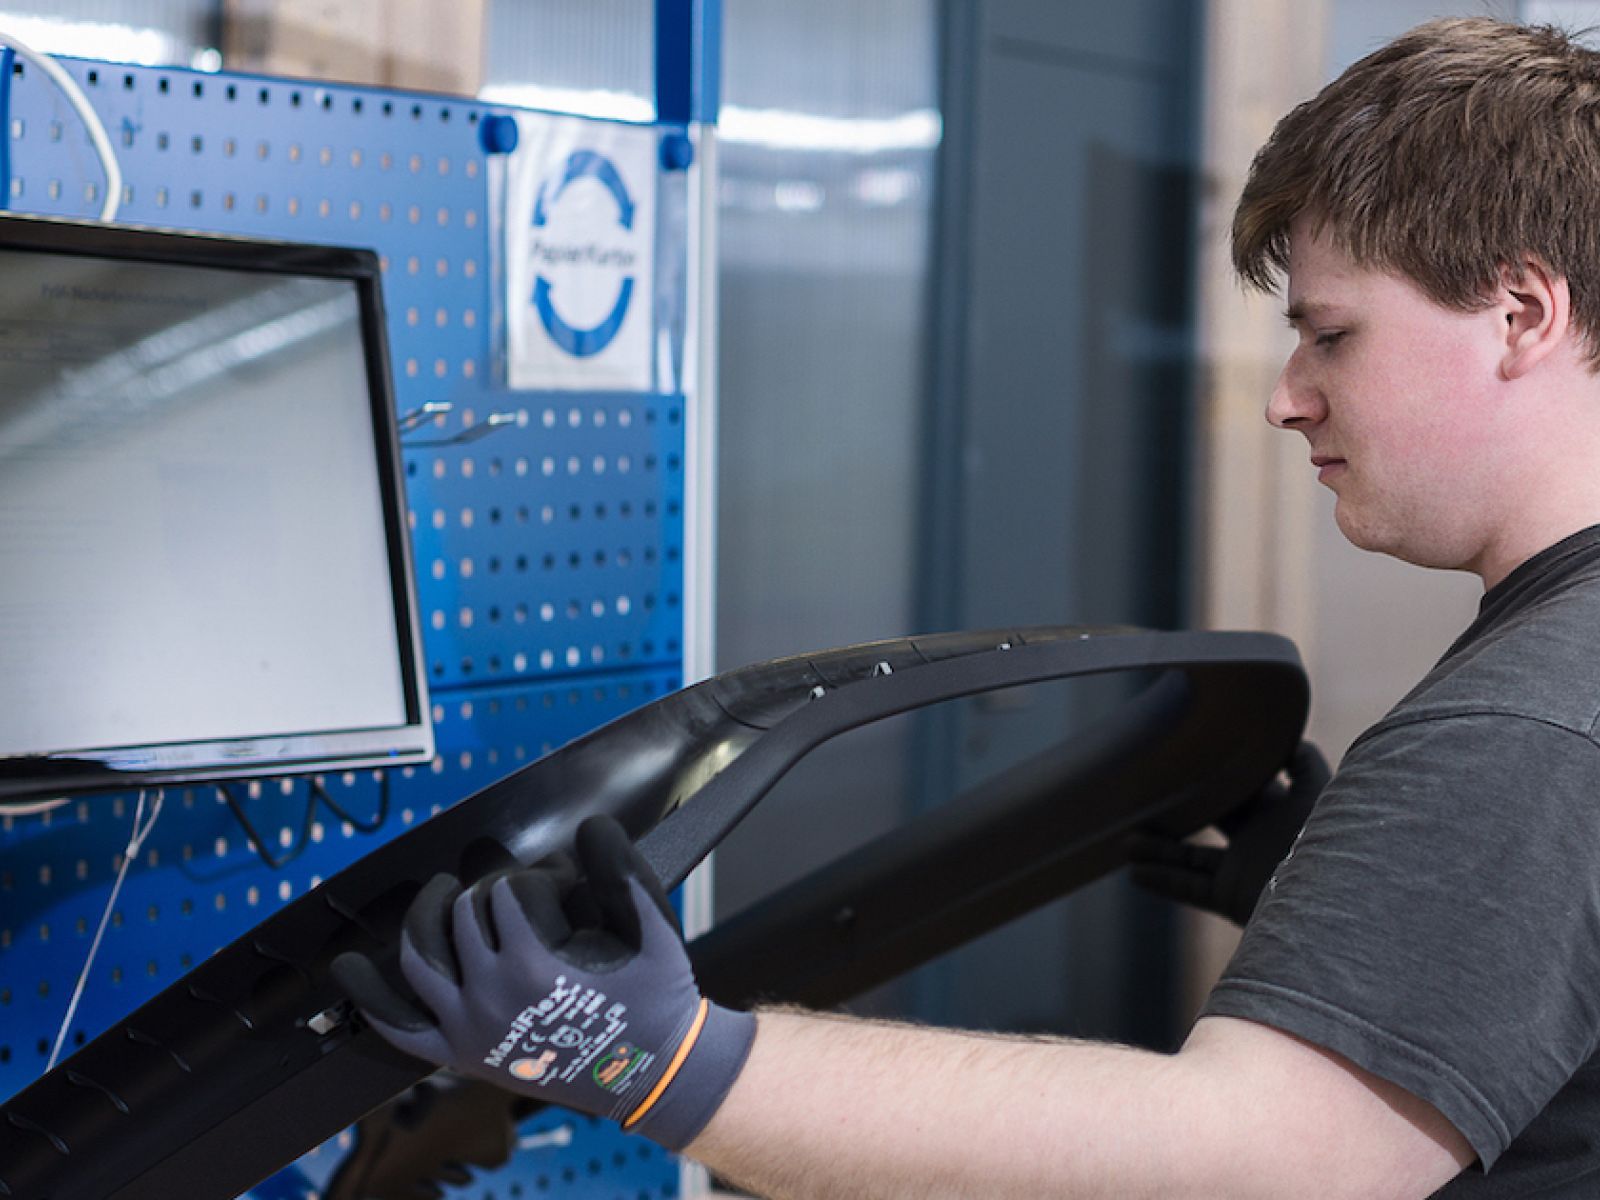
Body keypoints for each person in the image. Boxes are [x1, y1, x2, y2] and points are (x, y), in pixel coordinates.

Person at [333, 16, 1600, 1197]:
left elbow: (1256, 1166)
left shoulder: (1522, 729)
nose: (1285, 395)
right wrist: (1418, 950)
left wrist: (656, 1060)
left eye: (1330, 335)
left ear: (1520, 312)